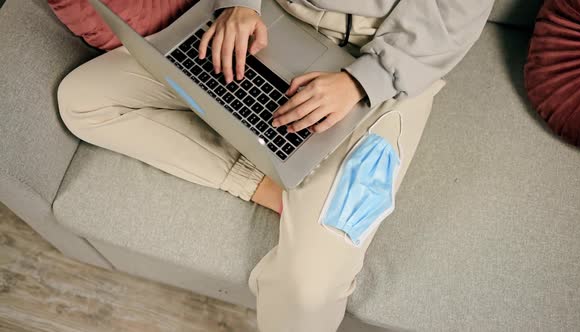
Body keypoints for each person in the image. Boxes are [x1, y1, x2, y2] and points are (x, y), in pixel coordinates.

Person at [57, 0, 493, 330]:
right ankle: (268, 185)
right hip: (268, 21)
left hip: (381, 68)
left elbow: (452, 18)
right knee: (84, 100)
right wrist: (240, 5)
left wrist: (361, 82)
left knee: (308, 295)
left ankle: (307, 200)